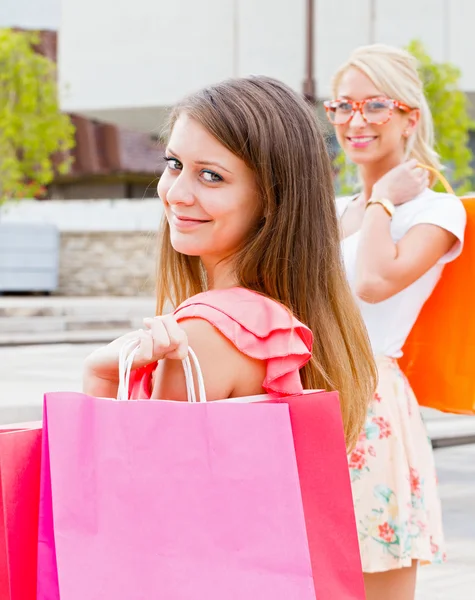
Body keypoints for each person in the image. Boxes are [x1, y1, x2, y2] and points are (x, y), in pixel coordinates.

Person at [83, 75, 376, 454]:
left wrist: (98, 378)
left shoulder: (207, 332)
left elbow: (141, 488)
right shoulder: (291, 321)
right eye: (174, 164)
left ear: (272, 198)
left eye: (211, 176)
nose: (175, 193)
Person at [325, 44, 467, 600]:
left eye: (375, 106)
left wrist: (383, 202)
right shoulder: (332, 209)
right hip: (305, 388)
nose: (356, 121)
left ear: (409, 117)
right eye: (342, 107)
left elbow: (373, 281)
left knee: (376, 577)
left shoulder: (435, 211)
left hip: (370, 398)